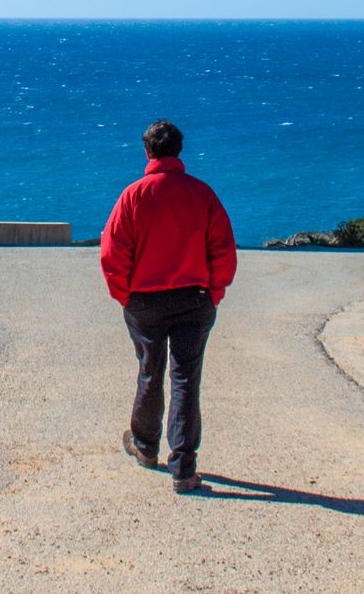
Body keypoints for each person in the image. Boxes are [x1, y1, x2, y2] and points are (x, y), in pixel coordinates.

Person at [99, 118, 237, 493]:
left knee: (150, 369)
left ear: (147, 152)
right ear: (179, 150)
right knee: (186, 378)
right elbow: (223, 249)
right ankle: (184, 468)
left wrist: (125, 296)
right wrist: (214, 292)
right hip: (195, 298)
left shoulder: (134, 195)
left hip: (145, 300)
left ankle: (145, 446)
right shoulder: (202, 194)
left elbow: (112, 253)